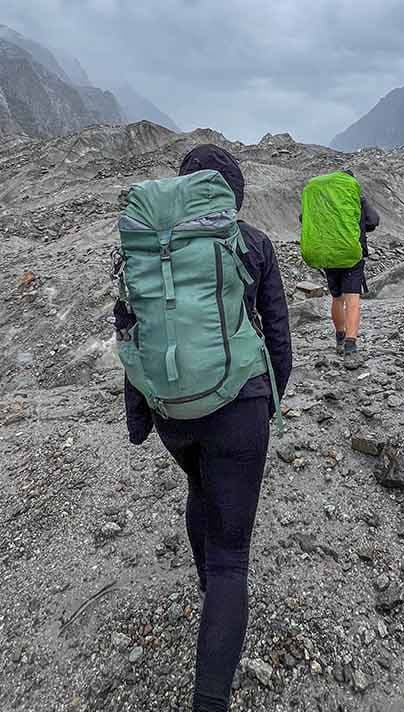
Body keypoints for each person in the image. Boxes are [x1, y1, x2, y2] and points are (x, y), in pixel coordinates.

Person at [121, 144, 292, 712]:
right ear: (233, 194)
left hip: (173, 411)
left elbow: (134, 330)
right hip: (239, 407)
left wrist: (143, 414)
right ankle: (210, 698)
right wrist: (267, 404)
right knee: (231, 558)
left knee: (198, 488)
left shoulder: (151, 247)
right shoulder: (254, 244)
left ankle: (206, 590)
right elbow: (279, 342)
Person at [324, 171, 379, 360]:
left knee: (336, 297)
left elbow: (304, 219)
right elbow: (373, 221)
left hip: (329, 254)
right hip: (352, 255)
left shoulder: (324, 200)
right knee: (352, 300)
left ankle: (339, 338)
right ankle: (350, 347)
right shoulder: (357, 198)